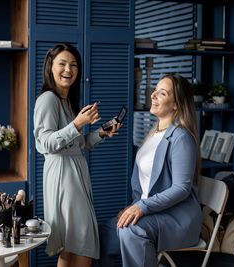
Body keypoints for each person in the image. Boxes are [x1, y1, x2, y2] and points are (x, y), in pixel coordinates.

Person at [98, 74, 202, 267]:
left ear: (176, 105)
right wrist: (135, 206)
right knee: (102, 234)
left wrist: (141, 207)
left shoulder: (181, 138)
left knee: (131, 230)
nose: (153, 95)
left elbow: (182, 188)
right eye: (155, 90)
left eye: (162, 93)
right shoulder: (153, 133)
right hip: (152, 212)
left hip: (176, 217)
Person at [34, 43, 120, 267]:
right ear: (50, 67)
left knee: (73, 244)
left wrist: (100, 133)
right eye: (62, 63)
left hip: (73, 172)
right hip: (63, 176)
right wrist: (77, 123)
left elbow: (77, 144)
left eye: (73, 65)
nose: (68, 69)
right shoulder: (48, 99)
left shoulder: (67, 101)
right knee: (82, 240)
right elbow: (45, 143)